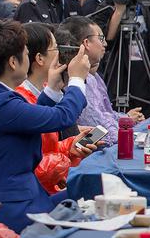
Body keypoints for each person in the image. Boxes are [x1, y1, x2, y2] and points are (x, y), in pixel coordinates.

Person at [0, 20, 92, 232]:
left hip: (19, 198)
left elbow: (28, 120)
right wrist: (77, 79)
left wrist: (51, 90)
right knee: (95, 189)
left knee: (90, 187)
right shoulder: (0, 103)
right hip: (12, 210)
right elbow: (63, 116)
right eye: (26, 53)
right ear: (13, 62)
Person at [17, 23, 102, 194]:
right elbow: (63, 117)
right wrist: (77, 79)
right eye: (56, 48)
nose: (62, 54)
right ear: (39, 58)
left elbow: (44, 144)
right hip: (33, 193)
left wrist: (70, 146)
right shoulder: (20, 100)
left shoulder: (45, 91)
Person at [60, 17, 141, 145]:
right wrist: (125, 133)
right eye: (101, 38)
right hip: (89, 151)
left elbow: (105, 116)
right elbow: (96, 133)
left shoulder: (92, 78)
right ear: (86, 43)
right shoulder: (70, 81)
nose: (105, 44)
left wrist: (126, 120)